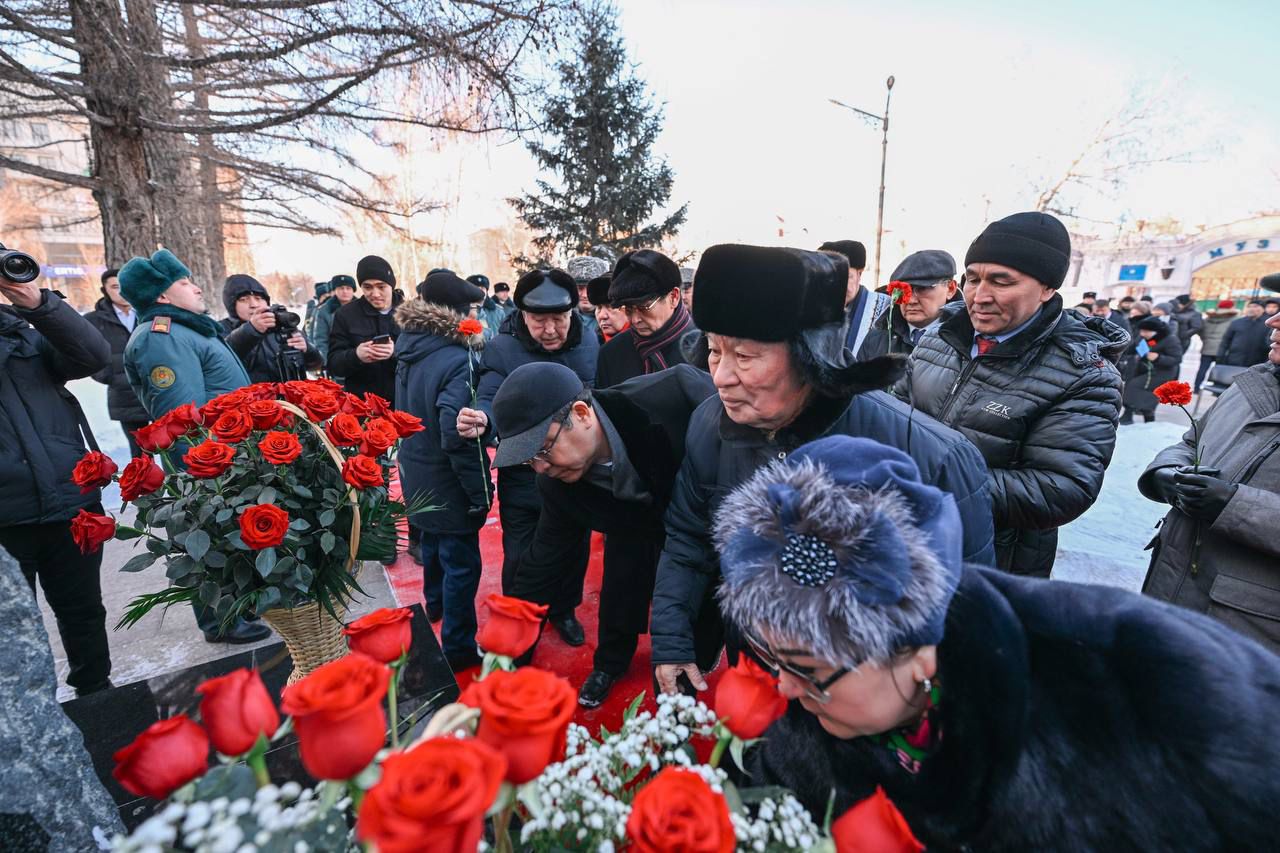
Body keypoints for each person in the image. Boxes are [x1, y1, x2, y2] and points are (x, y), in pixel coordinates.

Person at [720, 435, 1280, 851]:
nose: (783, 689)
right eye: (775, 660)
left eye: (803, 668)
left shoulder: (1158, 691)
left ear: (916, 653)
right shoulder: (823, 710)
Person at [650, 243, 995, 696]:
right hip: (758, 675)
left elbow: (966, 612)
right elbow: (688, 537)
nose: (720, 377)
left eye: (745, 357)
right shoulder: (710, 425)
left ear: (809, 356)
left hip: (865, 698)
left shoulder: (929, 455)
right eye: (714, 352)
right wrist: (672, 639)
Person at [895, 212, 1125, 577]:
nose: (980, 296)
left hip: (990, 562)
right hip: (903, 538)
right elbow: (895, 413)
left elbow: (1061, 489)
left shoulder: (1083, 374)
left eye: (1001, 282)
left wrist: (934, 481)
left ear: (1048, 288)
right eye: (972, 279)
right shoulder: (939, 336)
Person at [495, 361, 716, 706]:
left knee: (698, 627)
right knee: (620, 590)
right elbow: (543, 563)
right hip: (633, 531)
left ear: (582, 414)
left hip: (706, 535)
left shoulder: (679, 394)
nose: (540, 468)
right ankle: (611, 665)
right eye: (529, 461)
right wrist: (506, 653)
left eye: (542, 449)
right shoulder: (556, 485)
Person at [118, 249, 270, 644]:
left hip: (231, 454)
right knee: (213, 535)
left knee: (233, 533)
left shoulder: (188, 330)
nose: (197, 286)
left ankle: (240, 606)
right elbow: (182, 418)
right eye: (184, 282)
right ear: (162, 296)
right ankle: (222, 619)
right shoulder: (161, 339)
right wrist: (205, 470)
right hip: (210, 463)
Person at [457, 268, 599, 645]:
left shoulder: (589, 340)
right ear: (523, 315)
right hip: (524, 469)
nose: (551, 329)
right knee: (520, 552)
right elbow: (488, 393)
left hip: (575, 471)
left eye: (559, 319)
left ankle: (563, 609)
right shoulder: (504, 347)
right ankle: (521, 622)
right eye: (540, 321)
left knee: (573, 547)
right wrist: (483, 419)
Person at [0, 256, 113, 696]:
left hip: (69, 501)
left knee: (84, 610)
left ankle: (98, 694)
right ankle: (32, 714)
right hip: (7, 519)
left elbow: (94, 355)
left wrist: (37, 303)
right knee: (12, 631)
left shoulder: (22, 331)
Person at [1140, 300, 1280, 653]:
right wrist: (1166, 474)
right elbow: (1191, 443)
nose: (1272, 320)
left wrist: (1235, 506)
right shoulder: (1253, 384)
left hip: (1247, 639)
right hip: (1167, 598)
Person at [394, 271, 493, 672]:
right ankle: (458, 645)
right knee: (461, 563)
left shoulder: (411, 346)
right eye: (472, 310)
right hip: (446, 475)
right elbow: (460, 433)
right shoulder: (457, 358)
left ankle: (433, 603)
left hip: (416, 468)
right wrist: (480, 492)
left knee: (433, 544)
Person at [595, 250, 695, 388]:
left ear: (673, 297)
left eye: (644, 308)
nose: (635, 320)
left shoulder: (705, 347)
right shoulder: (611, 354)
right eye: (628, 309)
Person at [83, 267, 149, 456]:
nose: (122, 291)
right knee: (140, 453)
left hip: (156, 392)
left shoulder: (149, 314)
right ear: (105, 290)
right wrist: (110, 377)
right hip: (125, 397)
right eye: (115, 286)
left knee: (173, 446)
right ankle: (147, 486)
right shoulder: (94, 321)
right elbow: (88, 355)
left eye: (125, 286)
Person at [220, 274, 322, 383]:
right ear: (231, 305)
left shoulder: (281, 325)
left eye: (258, 298)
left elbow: (315, 365)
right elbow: (223, 362)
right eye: (243, 299)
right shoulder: (222, 329)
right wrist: (252, 330)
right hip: (251, 398)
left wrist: (307, 350)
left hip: (291, 395)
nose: (254, 304)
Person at [327, 255, 402, 403]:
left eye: (381, 287)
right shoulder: (346, 315)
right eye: (367, 287)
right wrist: (356, 356)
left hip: (402, 401)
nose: (375, 294)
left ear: (391, 286)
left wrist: (396, 352)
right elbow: (334, 365)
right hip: (362, 404)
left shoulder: (411, 313)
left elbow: (424, 361)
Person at [857, 250, 957, 358]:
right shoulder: (876, 340)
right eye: (902, 290)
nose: (910, 300)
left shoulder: (966, 339)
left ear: (950, 289)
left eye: (922, 289)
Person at [819, 239, 891, 358]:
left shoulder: (885, 307)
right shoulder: (814, 308)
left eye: (844, 276)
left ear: (860, 274)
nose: (835, 285)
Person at [1120, 317, 1184, 424]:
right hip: (1144, 369)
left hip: (1162, 372)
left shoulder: (1170, 339)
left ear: (1156, 331)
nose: (1142, 333)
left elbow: (1177, 359)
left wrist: (1158, 358)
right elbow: (1132, 348)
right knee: (1132, 385)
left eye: (1146, 331)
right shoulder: (1142, 338)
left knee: (1135, 386)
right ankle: (1140, 414)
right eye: (1141, 331)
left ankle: (1140, 414)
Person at [1193, 299, 1238, 392]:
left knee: (1202, 368)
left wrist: (1206, 340)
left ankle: (1196, 388)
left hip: (1207, 347)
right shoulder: (1234, 320)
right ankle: (1216, 389)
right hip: (1223, 348)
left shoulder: (1209, 318)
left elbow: (1201, 331)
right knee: (1220, 370)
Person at [312, 273, 355, 366]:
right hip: (338, 360)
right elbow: (321, 340)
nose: (345, 291)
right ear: (335, 290)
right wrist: (328, 362)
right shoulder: (324, 311)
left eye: (348, 288)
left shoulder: (363, 308)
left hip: (361, 359)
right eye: (341, 288)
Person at [566, 256, 609, 345]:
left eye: (590, 289)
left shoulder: (616, 318)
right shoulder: (563, 318)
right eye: (580, 288)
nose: (585, 295)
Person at [1217, 299, 1271, 367]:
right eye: (1249, 306)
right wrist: (1220, 357)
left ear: (1263, 309)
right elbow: (1225, 341)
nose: (1251, 309)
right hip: (1233, 361)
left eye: (1255, 306)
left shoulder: (1268, 324)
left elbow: (1271, 345)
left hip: (1256, 364)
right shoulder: (1237, 322)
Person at [588, 275, 628, 341]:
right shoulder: (591, 344)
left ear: (629, 309)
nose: (602, 316)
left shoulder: (645, 345)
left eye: (610, 306)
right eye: (599, 307)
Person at [470, 273, 504, 342]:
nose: (480, 291)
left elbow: (505, 335)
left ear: (486, 291)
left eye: (482, 288)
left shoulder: (498, 311)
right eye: (476, 288)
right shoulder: (464, 311)